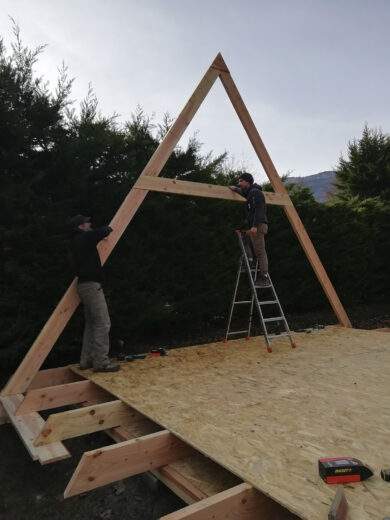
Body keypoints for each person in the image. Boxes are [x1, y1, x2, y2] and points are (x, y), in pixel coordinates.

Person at [69, 214, 120, 372]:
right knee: (103, 323)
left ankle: (86, 360)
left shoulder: (77, 241)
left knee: (92, 324)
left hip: (84, 285)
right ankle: (101, 363)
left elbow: (94, 235)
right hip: (91, 286)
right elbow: (103, 230)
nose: (90, 224)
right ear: (81, 226)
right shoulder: (84, 238)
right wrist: (111, 227)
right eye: (87, 223)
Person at [230, 173, 269, 287]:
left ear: (247, 182)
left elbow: (259, 209)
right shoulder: (251, 193)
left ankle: (264, 277)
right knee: (243, 236)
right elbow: (244, 193)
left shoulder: (256, 193)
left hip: (258, 225)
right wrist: (235, 189)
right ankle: (250, 260)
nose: (239, 183)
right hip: (255, 226)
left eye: (241, 181)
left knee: (260, 251)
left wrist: (255, 226)